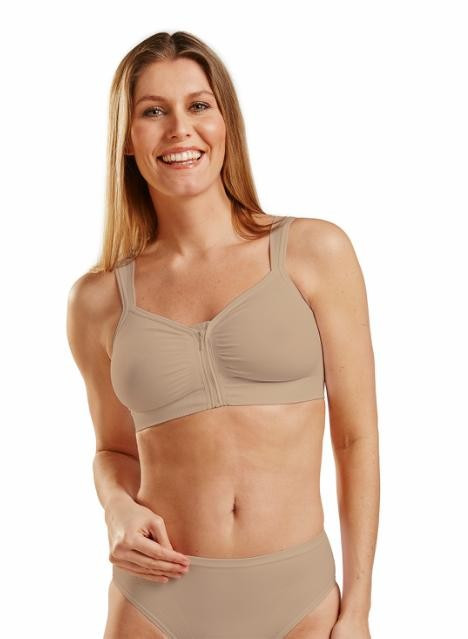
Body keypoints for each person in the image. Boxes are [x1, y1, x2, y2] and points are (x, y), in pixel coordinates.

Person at [66, 30, 379, 639]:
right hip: (156, 601)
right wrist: (117, 508)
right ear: (126, 139)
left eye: (198, 105)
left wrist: (359, 608)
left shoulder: (314, 252)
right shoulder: (97, 300)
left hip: (299, 598)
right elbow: (114, 451)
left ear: (226, 121)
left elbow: (356, 437)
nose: (179, 129)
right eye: (153, 111)